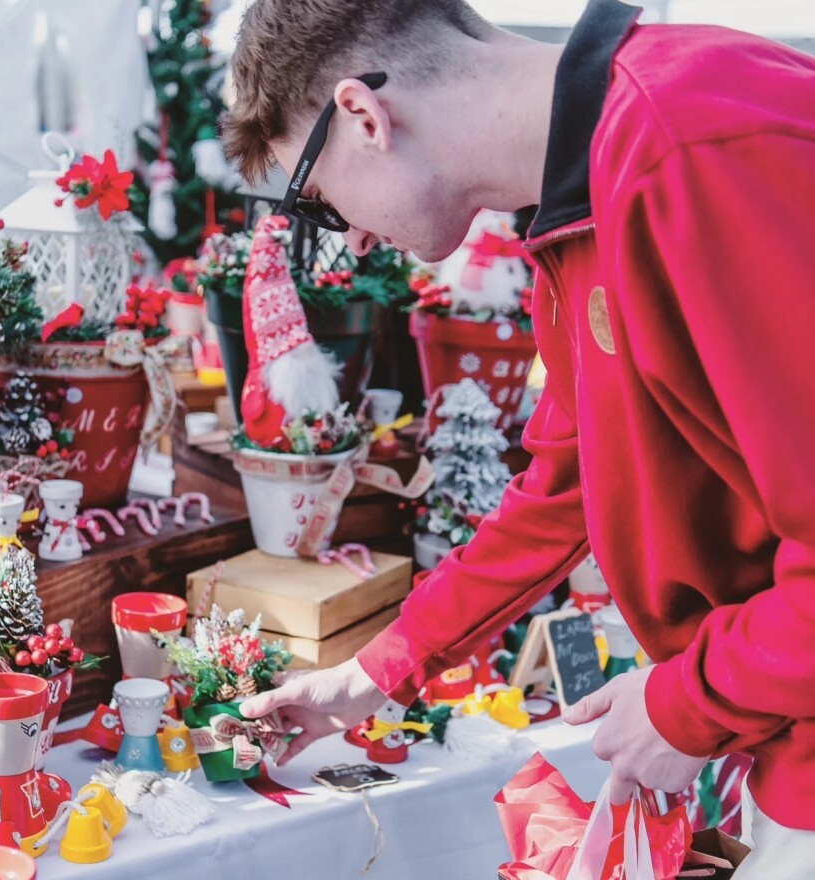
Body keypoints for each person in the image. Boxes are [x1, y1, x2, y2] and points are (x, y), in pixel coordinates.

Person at [222, 0, 815, 874]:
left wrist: (688, 702)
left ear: (363, 116)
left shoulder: (694, 144)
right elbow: (563, 491)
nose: (345, 237)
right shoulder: (577, 211)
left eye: (313, 200)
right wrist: (374, 674)